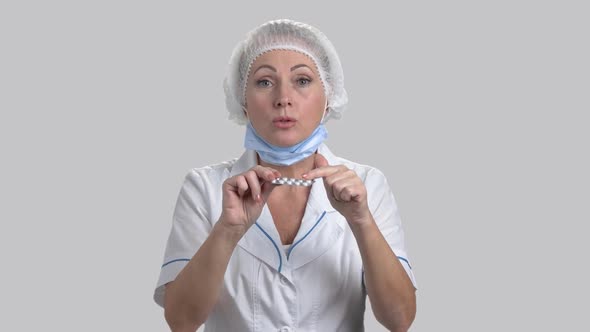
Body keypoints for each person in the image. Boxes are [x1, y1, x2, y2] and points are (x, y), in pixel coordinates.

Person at [153, 19, 417, 332]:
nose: (283, 99)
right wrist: (227, 230)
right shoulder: (205, 187)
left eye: (302, 80)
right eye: (264, 82)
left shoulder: (368, 183)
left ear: (329, 97)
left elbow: (399, 319)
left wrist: (361, 221)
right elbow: (181, 321)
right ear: (243, 101)